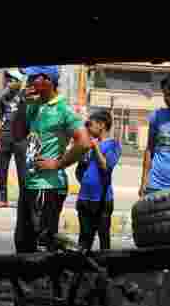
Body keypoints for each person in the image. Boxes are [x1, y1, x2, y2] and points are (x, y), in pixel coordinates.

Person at [11, 65, 92, 253]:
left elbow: (84, 142)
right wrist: (22, 104)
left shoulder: (63, 110)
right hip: (31, 184)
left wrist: (58, 163)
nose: (29, 82)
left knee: (42, 243)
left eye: (33, 77)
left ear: (48, 80)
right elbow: (17, 135)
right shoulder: (34, 106)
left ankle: (60, 271)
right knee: (22, 241)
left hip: (48, 186)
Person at [76, 108, 121, 251]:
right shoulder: (88, 145)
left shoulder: (113, 145)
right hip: (84, 198)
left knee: (103, 238)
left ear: (101, 125)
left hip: (101, 201)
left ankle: (105, 270)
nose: (87, 127)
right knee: (84, 239)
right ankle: (82, 271)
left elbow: (106, 167)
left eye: (91, 124)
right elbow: (80, 170)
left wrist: (95, 148)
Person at [0, 69, 29, 208]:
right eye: (8, 79)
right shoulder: (3, 98)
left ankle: (23, 200)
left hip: (21, 139)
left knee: (22, 171)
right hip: (5, 137)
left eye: (12, 80)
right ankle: (3, 199)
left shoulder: (26, 97)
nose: (9, 82)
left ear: (20, 82)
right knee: (1, 170)